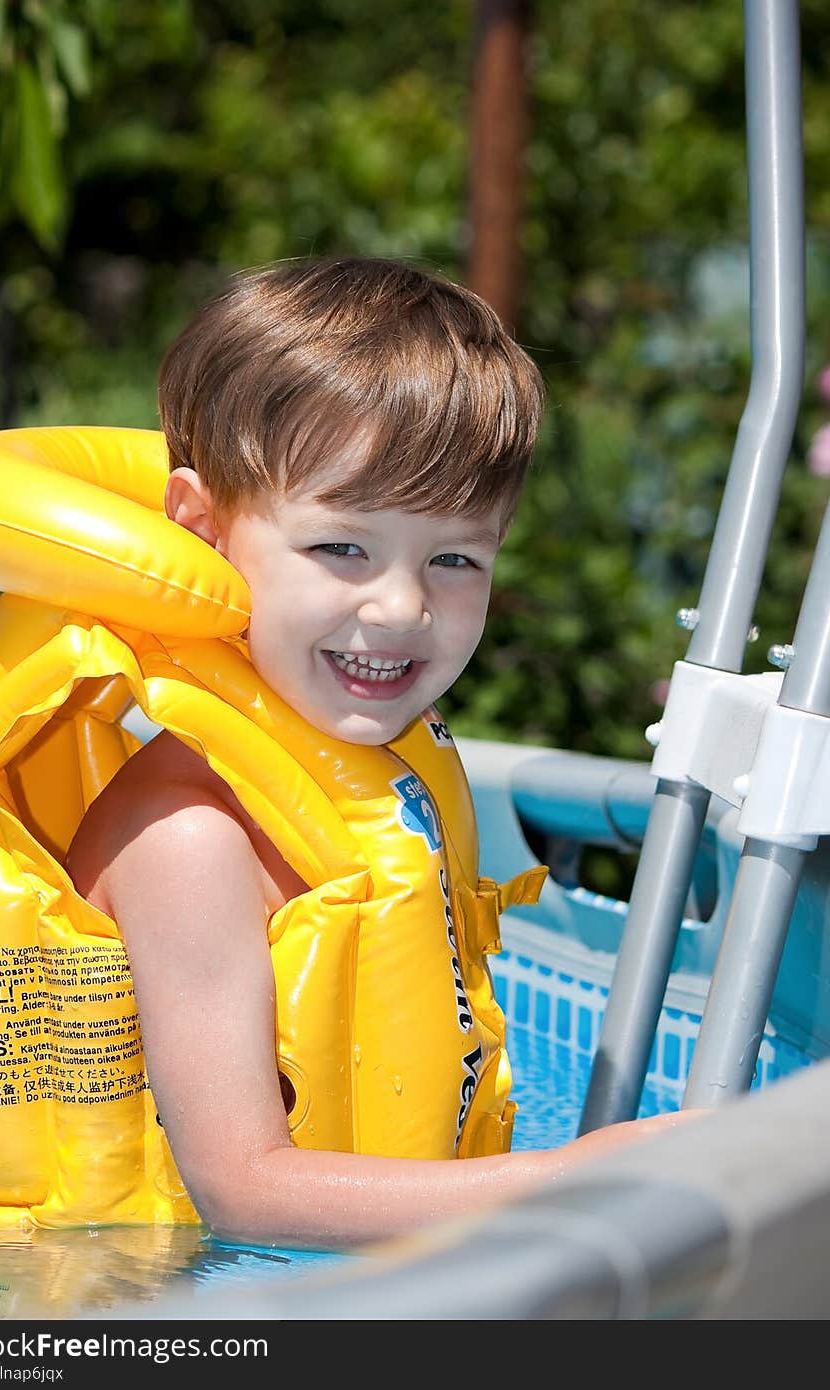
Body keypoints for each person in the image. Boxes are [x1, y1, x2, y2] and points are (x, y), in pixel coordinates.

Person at [63, 256, 696, 1251]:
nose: (401, 608)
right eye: (342, 548)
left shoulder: (390, 778)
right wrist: (566, 1180)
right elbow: (243, 1190)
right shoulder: (190, 839)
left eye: (454, 558)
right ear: (202, 528)